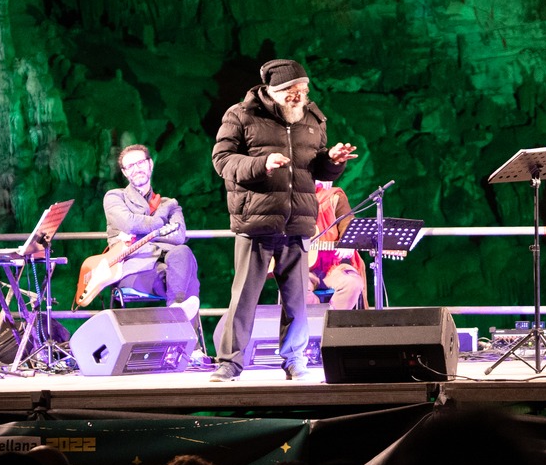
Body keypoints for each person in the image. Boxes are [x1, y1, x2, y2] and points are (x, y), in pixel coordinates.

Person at [209, 59, 358, 380]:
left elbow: (316, 168)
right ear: (273, 91)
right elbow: (222, 160)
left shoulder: (312, 119)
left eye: (303, 90)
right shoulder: (241, 115)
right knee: (245, 295)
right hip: (256, 219)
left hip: (298, 221)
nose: (299, 96)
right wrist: (262, 163)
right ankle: (229, 363)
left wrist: (332, 162)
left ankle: (294, 360)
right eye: (292, 91)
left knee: (296, 301)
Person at [101, 144, 203, 324]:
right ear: (124, 173)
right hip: (134, 271)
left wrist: (138, 234)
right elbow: (128, 223)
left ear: (150, 164)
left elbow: (178, 237)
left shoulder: (169, 202)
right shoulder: (115, 197)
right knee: (187, 277)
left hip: (166, 268)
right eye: (130, 166)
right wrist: (160, 219)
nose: (136, 169)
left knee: (183, 252)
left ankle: (176, 306)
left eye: (140, 163)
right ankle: (190, 347)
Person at [307, 184, 368, 311]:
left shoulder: (334, 197)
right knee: (292, 288)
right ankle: (319, 318)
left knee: (353, 283)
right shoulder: (291, 199)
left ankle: (332, 320)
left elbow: (348, 225)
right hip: (303, 268)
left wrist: (348, 243)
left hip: (335, 266)